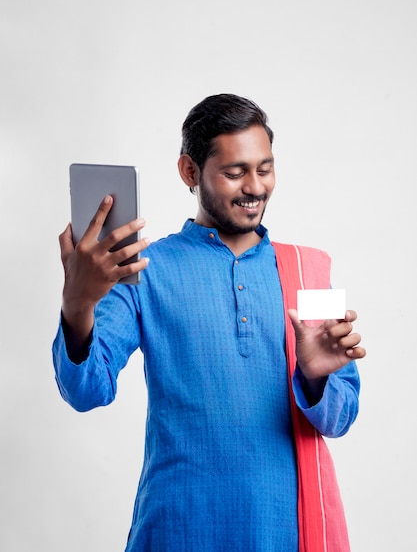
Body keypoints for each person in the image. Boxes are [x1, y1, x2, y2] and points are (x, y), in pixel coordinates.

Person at [53, 93, 366, 551]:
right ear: (190, 172)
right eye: (235, 172)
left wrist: (316, 379)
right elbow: (85, 391)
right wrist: (77, 304)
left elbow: (340, 420)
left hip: (284, 532)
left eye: (265, 168)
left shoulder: (306, 270)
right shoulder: (143, 269)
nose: (255, 186)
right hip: (178, 529)